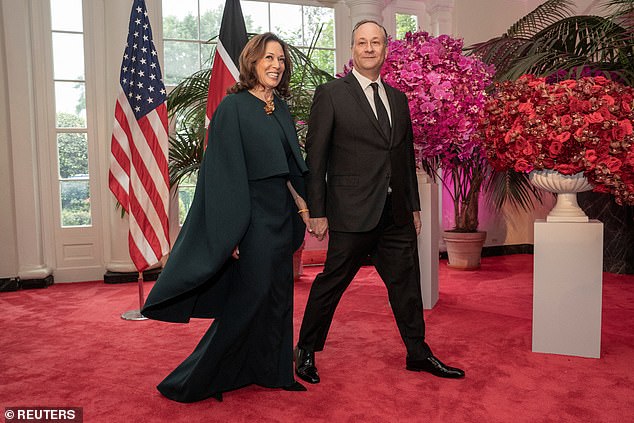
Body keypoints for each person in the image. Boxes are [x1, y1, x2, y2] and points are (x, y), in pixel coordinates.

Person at [142, 32, 310, 403]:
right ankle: (198, 378)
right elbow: (223, 175)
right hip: (250, 216)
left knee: (280, 299)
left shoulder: (279, 107)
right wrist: (231, 232)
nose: (276, 65)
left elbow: (290, 169)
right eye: (268, 58)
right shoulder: (232, 108)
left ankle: (276, 372)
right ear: (252, 62)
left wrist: (304, 208)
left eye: (281, 60)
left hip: (280, 215)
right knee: (251, 299)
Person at [294, 20, 465, 384]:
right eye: (362, 42)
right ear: (352, 50)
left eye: (376, 42)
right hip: (351, 211)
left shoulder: (398, 99)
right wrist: (318, 211)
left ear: (386, 50)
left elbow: (404, 156)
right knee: (331, 283)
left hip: (396, 213)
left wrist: (414, 206)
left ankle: (418, 354)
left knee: (407, 285)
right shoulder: (331, 94)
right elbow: (317, 158)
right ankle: (306, 349)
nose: (369, 48)